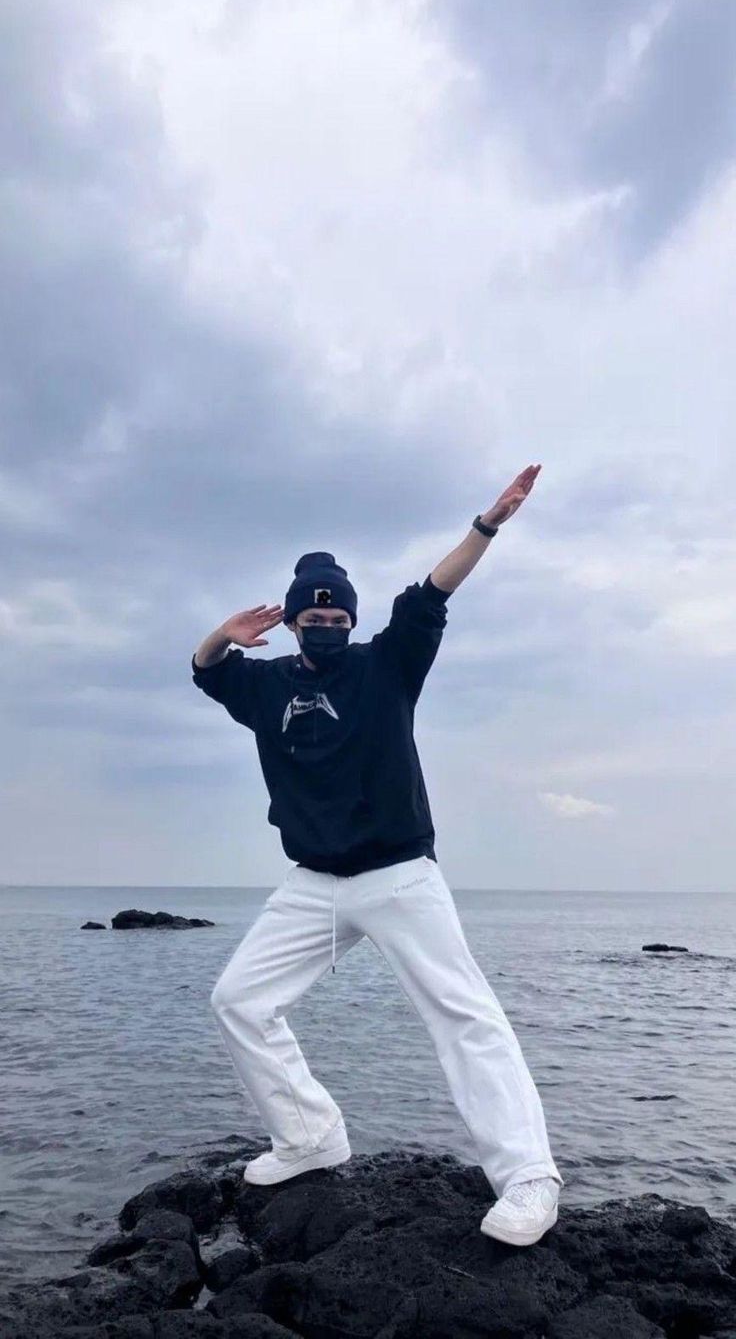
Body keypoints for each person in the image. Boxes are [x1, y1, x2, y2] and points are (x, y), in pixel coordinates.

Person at [191, 464, 564, 1246]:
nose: (324, 620)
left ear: (351, 620)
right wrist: (222, 635)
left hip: (399, 876)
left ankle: (529, 1176)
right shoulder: (264, 689)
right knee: (240, 1002)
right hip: (310, 886)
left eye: (336, 612)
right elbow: (204, 670)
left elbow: (432, 592)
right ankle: (311, 1135)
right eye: (311, 613)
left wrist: (487, 526)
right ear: (291, 623)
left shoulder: (387, 665)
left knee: (466, 1018)